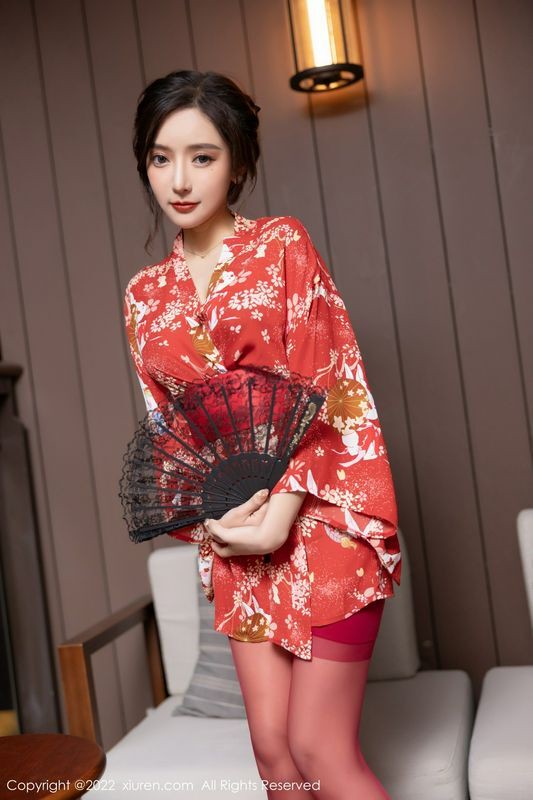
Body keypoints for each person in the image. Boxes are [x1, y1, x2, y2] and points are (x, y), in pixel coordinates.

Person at [125, 69, 402, 799]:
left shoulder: (282, 245)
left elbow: (330, 387)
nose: (179, 179)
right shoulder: (144, 297)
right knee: (275, 758)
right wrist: (214, 522)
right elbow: (171, 433)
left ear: (238, 161)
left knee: (318, 747)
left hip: (321, 517)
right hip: (237, 537)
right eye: (160, 158)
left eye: (202, 156)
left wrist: (278, 518)